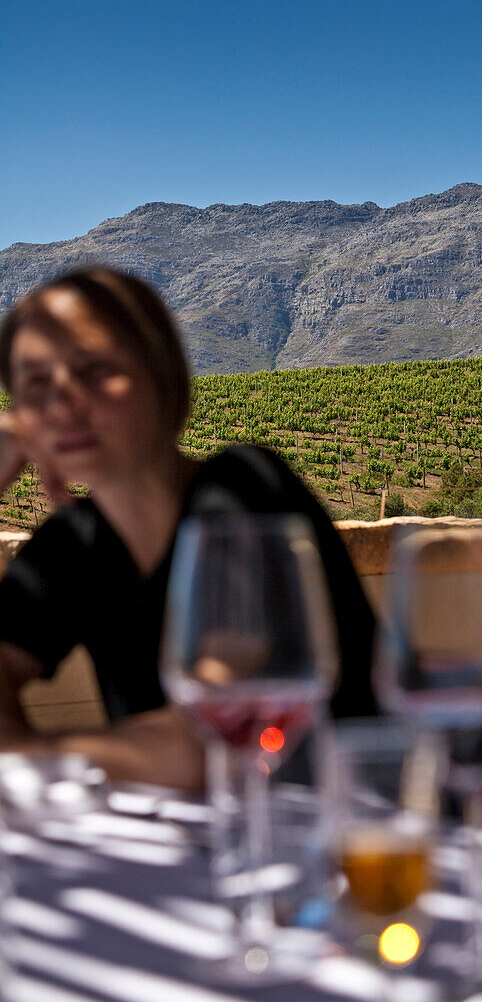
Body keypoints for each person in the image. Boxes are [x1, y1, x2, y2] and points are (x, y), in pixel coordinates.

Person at [0, 267, 376, 788]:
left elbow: (210, 740)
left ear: (162, 374)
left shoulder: (243, 489)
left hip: (357, 839)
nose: (63, 403)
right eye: (35, 382)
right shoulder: (72, 544)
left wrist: (20, 753)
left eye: (94, 368)